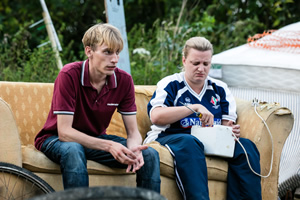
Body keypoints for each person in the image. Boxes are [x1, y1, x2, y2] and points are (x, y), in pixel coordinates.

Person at [34, 23, 160, 192]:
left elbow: (133, 133)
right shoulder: (69, 75)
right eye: (107, 52)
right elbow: (64, 132)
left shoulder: (124, 81)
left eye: (117, 52)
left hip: (94, 139)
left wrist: (134, 148)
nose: (115, 59)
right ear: (89, 51)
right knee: (73, 149)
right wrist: (109, 146)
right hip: (55, 139)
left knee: (149, 155)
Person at [143, 36, 261, 200]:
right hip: (170, 137)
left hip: (210, 142)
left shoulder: (219, 88)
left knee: (247, 147)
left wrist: (230, 131)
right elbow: (156, 117)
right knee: (190, 142)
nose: (201, 68)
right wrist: (193, 108)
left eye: (206, 64)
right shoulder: (171, 84)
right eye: (195, 63)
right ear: (184, 61)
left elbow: (227, 125)